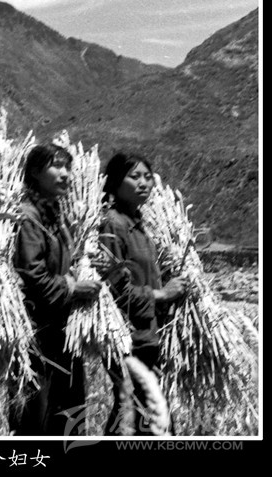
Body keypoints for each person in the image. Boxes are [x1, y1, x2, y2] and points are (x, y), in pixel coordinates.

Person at [12, 143, 100, 436]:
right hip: (38, 329)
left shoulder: (55, 214)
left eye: (68, 167)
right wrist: (71, 287)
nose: (65, 174)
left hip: (61, 327)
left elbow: (61, 264)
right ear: (35, 172)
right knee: (37, 412)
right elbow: (31, 273)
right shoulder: (28, 216)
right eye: (57, 166)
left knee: (67, 408)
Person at [99, 152, 186, 435]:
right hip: (129, 336)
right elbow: (114, 288)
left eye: (148, 177)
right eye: (134, 176)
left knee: (140, 414)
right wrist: (162, 295)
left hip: (148, 333)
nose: (144, 183)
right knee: (138, 412)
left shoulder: (139, 225)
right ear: (115, 182)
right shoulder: (113, 224)